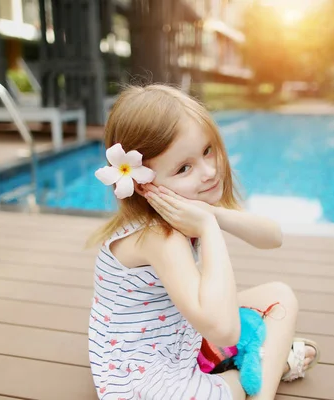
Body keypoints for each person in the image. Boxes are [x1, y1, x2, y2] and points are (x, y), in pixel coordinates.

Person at [87, 84, 320, 400]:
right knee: (251, 356)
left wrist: (213, 215)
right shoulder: (159, 237)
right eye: (185, 168)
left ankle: (265, 367)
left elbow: (273, 237)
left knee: (279, 296)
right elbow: (224, 329)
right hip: (147, 386)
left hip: (176, 339)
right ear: (144, 186)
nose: (210, 172)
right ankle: (273, 370)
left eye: (208, 150)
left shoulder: (191, 210)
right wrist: (208, 228)